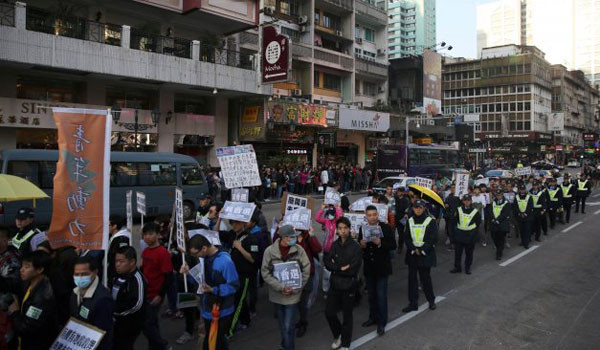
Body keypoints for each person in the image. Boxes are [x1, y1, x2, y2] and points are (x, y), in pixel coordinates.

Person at [183, 234, 239, 350]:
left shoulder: (225, 261)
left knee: (215, 343)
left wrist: (214, 289)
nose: (195, 256)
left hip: (222, 311)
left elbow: (234, 286)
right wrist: (188, 274)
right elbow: (198, 280)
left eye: (195, 253)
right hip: (207, 310)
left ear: (204, 248)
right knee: (213, 342)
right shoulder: (203, 259)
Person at [261, 225, 310, 350]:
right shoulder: (269, 251)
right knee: (283, 325)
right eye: (292, 236)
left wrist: (298, 285)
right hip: (277, 294)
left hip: (293, 294)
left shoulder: (299, 250)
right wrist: (280, 287)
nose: (295, 238)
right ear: (284, 237)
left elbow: (306, 268)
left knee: (289, 326)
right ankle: (285, 345)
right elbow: (265, 272)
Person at [324, 217, 362, 350]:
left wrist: (339, 267)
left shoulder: (355, 247)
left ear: (349, 229)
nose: (343, 231)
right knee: (329, 312)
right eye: (340, 228)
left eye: (345, 228)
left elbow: (353, 268)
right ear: (337, 230)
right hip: (335, 283)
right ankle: (339, 333)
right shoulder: (335, 245)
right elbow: (327, 263)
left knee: (347, 315)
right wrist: (340, 268)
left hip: (349, 285)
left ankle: (345, 343)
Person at [359, 205, 397, 336]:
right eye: (369, 215)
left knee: (381, 296)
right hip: (369, 268)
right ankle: (373, 317)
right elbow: (361, 244)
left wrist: (380, 243)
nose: (372, 217)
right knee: (371, 295)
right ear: (366, 216)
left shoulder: (385, 227)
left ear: (378, 215)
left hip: (382, 268)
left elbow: (393, 245)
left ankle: (382, 322)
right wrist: (362, 245)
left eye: (374, 214)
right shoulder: (363, 228)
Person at [7, 251, 57, 350]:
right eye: (22, 266)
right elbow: (11, 285)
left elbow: (26, 328)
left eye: (27, 267)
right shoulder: (28, 283)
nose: (21, 270)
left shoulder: (43, 297)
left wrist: (15, 312)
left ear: (40, 269)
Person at [69, 256, 114, 350]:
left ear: (95, 272)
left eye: (84, 274)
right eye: (76, 274)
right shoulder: (74, 293)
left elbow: (102, 332)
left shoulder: (103, 299)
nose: (80, 278)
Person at [402, 199, 438, 313]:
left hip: (425, 254)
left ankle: (431, 300)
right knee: (412, 280)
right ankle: (413, 303)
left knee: (425, 279)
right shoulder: (410, 220)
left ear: (424, 208)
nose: (418, 210)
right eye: (416, 207)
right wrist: (413, 249)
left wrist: (421, 250)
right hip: (412, 255)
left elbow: (433, 238)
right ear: (413, 208)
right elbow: (406, 237)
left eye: (420, 207)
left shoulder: (430, 221)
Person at [141, 222, 172, 350]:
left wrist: (160, 295)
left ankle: (162, 345)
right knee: (152, 323)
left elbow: (168, 276)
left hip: (155, 294)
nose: (147, 237)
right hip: (146, 292)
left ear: (158, 235)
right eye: (145, 235)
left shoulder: (163, 253)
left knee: (147, 324)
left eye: (150, 234)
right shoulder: (146, 251)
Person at [228, 216, 259, 335]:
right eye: (232, 222)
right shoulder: (232, 235)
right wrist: (220, 218)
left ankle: (230, 330)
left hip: (245, 275)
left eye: (237, 222)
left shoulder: (252, 239)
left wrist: (240, 248)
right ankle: (246, 320)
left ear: (243, 223)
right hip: (233, 274)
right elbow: (216, 234)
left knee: (238, 301)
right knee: (239, 300)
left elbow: (253, 259)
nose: (234, 225)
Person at [112, 246, 146, 350]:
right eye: (116, 261)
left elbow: (137, 304)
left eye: (121, 261)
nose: (117, 264)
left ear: (132, 262)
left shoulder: (137, 279)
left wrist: (118, 313)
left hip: (129, 323)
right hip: (117, 322)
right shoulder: (118, 275)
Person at [450, 194, 481, 275]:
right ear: (463, 201)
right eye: (465, 200)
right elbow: (454, 222)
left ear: (471, 201)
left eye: (468, 200)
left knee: (469, 253)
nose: (467, 202)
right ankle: (457, 267)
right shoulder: (458, 210)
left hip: (470, 236)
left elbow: (477, 223)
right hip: (459, 235)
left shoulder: (475, 211)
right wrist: (453, 235)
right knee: (458, 253)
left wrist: (473, 234)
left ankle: (468, 268)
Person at [486, 189, 512, 260]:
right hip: (493, 223)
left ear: (502, 195)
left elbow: (505, 213)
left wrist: (498, 220)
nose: (498, 196)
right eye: (497, 195)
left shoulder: (506, 203)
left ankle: (499, 253)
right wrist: (493, 219)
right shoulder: (493, 202)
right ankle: (499, 248)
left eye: (500, 195)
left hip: (502, 224)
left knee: (501, 239)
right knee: (494, 237)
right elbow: (490, 211)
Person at [108, 214, 131, 286]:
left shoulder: (121, 239)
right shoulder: (113, 237)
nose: (106, 227)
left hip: (118, 275)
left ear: (114, 226)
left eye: (108, 225)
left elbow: (119, 258)